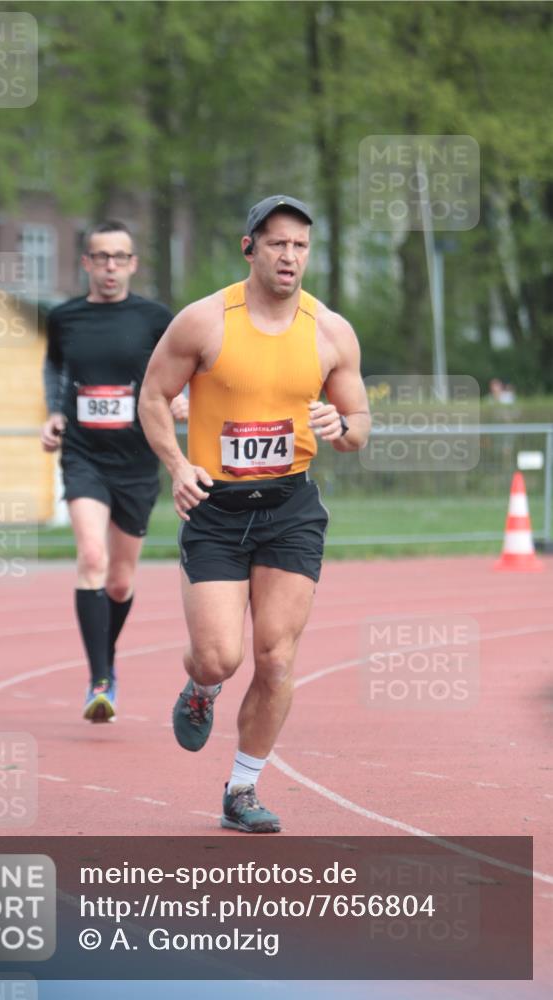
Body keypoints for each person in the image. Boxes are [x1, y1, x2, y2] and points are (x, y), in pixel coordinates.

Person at [138, 195, 371, 832]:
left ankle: (241, 790)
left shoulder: (329, 331)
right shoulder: (204, 321)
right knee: (219, 657)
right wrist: (178, 467)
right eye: (277, 244)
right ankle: (200, 689)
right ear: (250, 248)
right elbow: (153, 397)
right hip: (215, 507)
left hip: (290, 508)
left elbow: (359, 427)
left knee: (275, 659)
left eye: (299, 245)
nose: (289, 256)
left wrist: (340, 422)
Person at [41, 220, 188, 723]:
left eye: (119, 257)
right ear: (86, 263)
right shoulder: (64, 317)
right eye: (100, 257)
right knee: (91, 555)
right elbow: (55, 369)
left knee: (121, 583)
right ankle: (99, 679)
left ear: (133, 264)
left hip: (137, 458)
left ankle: (108, 659)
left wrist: (182, 397)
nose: (109, 267)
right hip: (83, 454)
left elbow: (180, 369)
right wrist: (55, 412)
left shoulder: (155, 318)